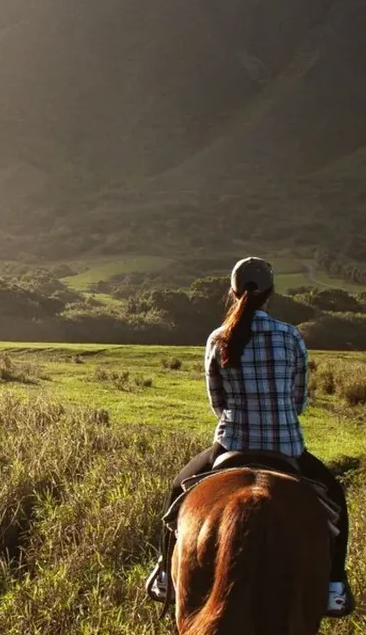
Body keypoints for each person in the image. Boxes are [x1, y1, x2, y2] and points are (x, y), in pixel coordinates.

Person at [146, 256, 352, 615]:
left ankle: (165, 575)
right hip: (287, 447)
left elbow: (217, 400)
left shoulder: (218, 338)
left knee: (177, 490)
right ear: (270, 294)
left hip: (232, 444)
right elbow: (299, 398)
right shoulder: (291, 335)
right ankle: (335, 584)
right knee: (335, 498)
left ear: (233, 291)